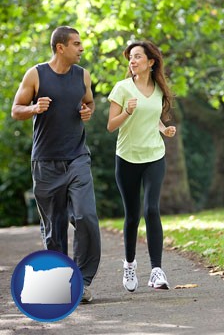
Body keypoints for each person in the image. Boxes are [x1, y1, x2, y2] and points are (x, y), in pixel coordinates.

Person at [11, 26, 101, 303]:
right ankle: (60, 282)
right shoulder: (36, 74)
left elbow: (89, 102)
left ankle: (82, 282)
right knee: (54, 228)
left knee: (86, 216)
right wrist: (34, 109)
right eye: (76, 44)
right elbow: (16, 110)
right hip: (46, 162)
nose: (81, 48)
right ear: (60, 47)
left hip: (77, 158)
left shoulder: (82, 75)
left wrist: (87, 111)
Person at [107, 40, 176, 292]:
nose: (132, 61)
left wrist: (164, 129)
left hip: (154, 155)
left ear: (151, 62)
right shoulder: (122, 88)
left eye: (137, 57)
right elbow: (111, 125)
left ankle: (157, 270)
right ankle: (129, 265)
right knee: (132, 215)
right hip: (126, 157)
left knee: (151, 209)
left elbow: (154, 116)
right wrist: (126, 112)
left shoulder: (158, 89)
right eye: (130, 57)